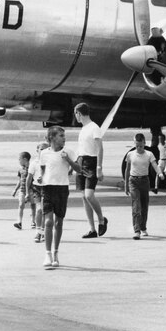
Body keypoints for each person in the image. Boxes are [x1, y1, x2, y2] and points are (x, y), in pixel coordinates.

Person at [37, 126, 89, 268]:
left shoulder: (69, 152)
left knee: (58, 222)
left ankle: (55, 253)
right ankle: (47, 254)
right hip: (47, 189)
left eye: (64, 135)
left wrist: (69, 161)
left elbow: (79, 169)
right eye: (61, 135)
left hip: (62, 189)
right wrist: (41, 177)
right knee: (48, 222)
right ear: (52, 138)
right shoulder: (44, 153)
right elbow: (43, 168)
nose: (64, 138)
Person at [74, 102, 107, 239]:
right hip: (81, 162)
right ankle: (92, 228)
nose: (75, 117)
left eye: (75, 114)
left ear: (79, 114)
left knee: (89, 195)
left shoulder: (94, 127)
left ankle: (101, 219)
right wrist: (74, 165)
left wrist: (99, 168)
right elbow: (81, 149)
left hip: (91, 163)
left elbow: (100, 148)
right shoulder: (83, 129)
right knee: (83, 196)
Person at [123, 132, 162, 239]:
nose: (139, 148)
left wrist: (160, 173)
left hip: (144, 181)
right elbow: (127, 170)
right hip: (133, 181)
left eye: (141, 145)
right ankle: (137, 231)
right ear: (134, 144)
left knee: (144, 206)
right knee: (136, 206)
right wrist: (126, 185)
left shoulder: (149, 154)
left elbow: (155, 165)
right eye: (137, 146)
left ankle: (143, 227)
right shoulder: (130, 154)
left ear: (145, 143)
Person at [28, 142, 48, 243]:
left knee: (45, 210)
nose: (43, 151)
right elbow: (29, 178)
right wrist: (27, 192)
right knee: (39, 210)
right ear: (37, 150)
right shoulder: (34, 163)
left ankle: (43, 232)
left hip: (47, 188)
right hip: (37, 188)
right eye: (41, 149)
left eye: (46, 149)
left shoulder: (50, 161)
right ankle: (38, 231)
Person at [12, 151, 31, 230]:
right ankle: (19, 222)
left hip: (31, 190)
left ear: (25, 159)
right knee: (21, 205)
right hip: (22, 190)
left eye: (19, 159)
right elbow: (19, 180)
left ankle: (34, 220)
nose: (18, 161)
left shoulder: (31, 168)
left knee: (33, 206)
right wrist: (15, 190)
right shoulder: (20, 170)